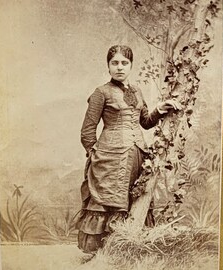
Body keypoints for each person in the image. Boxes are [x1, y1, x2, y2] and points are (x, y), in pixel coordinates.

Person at [76, 45, 176, 254]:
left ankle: (126, 251)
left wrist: (159, 109)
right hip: (109, 158)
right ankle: (105, 254)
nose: (119, 67)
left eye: (124, 63)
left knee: (133, 202)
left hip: (137, 156)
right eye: (115, 63)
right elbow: (87, 130)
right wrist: (94, 154)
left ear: (131, 66)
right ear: (108, 66)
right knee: (110, 202)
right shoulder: (101, 93)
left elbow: (146, 122)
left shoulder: (137, 91)